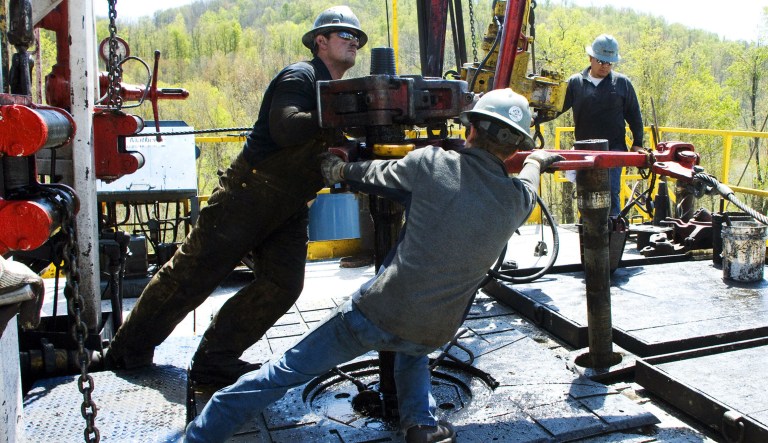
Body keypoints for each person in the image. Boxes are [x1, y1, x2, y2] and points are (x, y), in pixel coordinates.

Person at [183, 89, 564, 443]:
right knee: (413, 347)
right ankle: (420, 424)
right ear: (515, 146)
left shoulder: (432, 163)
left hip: (377, 313)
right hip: (437, 329)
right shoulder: (518, 201)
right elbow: (529, 181)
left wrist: (337, 169)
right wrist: (535, 161)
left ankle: (198, 436)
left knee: (286, 371)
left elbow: (372, 175)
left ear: (470, 130)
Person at [105, 6, 368, 385]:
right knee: (190, 278)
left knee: (282, 284)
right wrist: (344, 115)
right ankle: (125, 354)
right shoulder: (301, 75)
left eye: (357, 38)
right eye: (344, 35)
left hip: (288, 205)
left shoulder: (334, 92)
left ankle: (216, 357)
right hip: (246, 196)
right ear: (320, 42)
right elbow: (285, 127)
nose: (353, 42)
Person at [560, 33, 644, 216]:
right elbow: (558, 108)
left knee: (611, 191)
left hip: (613, 150)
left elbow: (634, 114)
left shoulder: (622, 83)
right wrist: (535, 118)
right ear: (590, 58)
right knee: (586, 193)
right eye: (601, 61)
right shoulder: (575, 83)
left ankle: (613, 232)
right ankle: (589, 231)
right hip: (584, 150)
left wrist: (638, 142)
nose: (605, 66)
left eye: (609, 63)